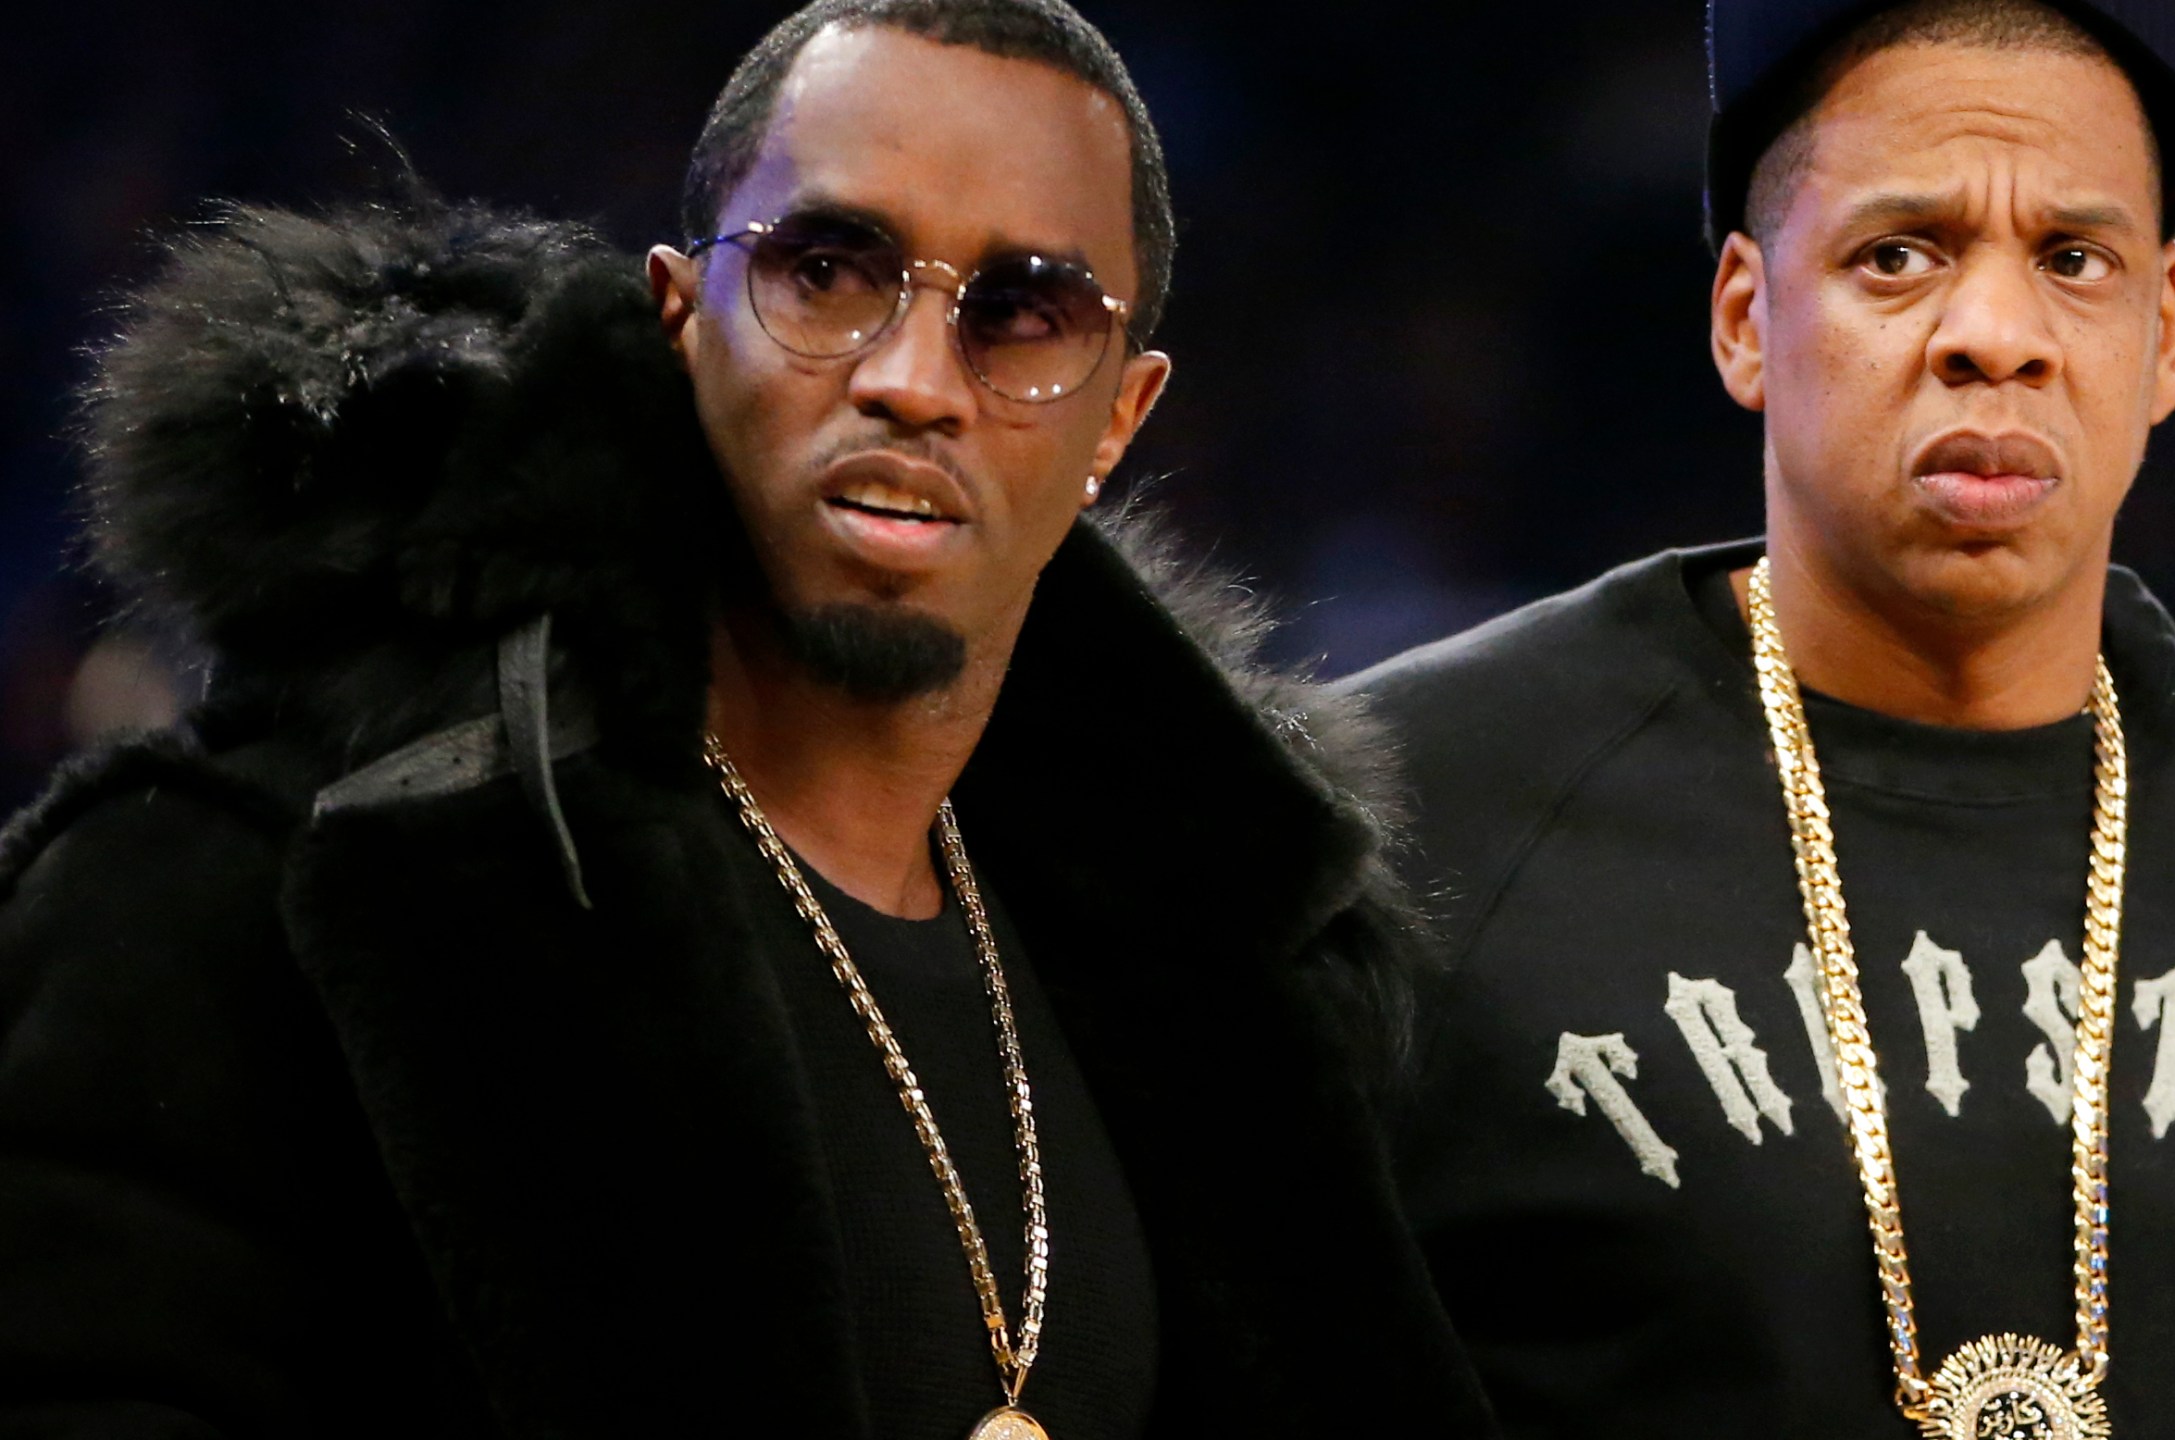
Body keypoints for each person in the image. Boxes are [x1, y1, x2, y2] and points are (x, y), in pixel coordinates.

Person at [0, 1, 1494, 1435]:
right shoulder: (248, 889)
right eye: (831, 271)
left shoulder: (1215, 1000)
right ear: (679, 320)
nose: (915, 382)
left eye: (1023, 314)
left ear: (1119, 417)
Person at [1352, 0, 2175, 1435]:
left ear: (2163, 332)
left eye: (2073, 261)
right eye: (1899, 256)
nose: (1996, 336)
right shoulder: (1400, 829)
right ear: (1747, 317)